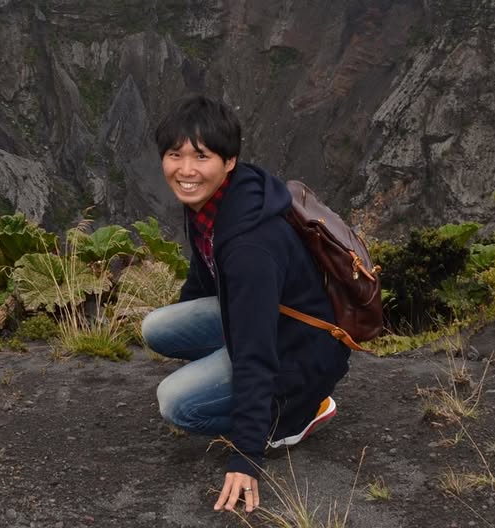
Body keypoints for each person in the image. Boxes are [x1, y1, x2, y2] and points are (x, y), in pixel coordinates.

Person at [141, 94, 350, 514]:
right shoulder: (210, 201)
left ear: (229, 161)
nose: (185, 170)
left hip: (297, 351)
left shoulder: (251, 245)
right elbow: (204, 277)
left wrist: (246, 456)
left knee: (176, 403)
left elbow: (255, 353)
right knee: (157, 327)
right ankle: (238, 381)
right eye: (174, 155)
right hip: (268, 322)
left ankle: (295, 416)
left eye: (201, 156)